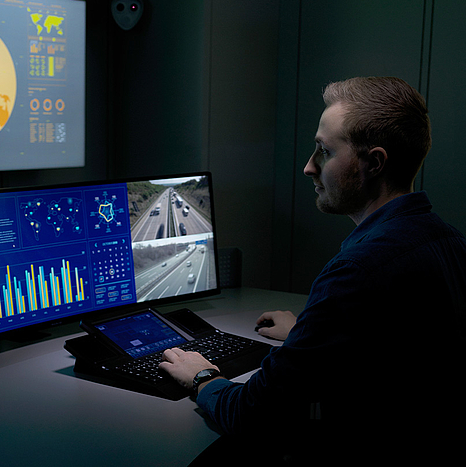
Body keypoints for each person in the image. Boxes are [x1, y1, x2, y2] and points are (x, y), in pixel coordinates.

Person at [159, 77, 466, 463]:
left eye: (323, 151)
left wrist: (204, 377)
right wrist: (309, 333)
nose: (308, 167)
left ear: (373, 162)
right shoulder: (449, 241)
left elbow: (252, 414)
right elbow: (400, 346)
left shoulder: (356, 271)